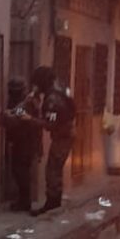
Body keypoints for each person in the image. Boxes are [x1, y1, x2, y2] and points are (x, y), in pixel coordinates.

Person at [30, 65, 76, 214]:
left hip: (62, 138)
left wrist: (31, 119)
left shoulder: (52, 98)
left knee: (52, 170)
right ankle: (54, 202)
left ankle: (52, 203)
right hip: (65, 135)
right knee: (54, 169)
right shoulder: (59, 92)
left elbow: (50, 124)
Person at [3, 78, 42, 213]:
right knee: (19, 171)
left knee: (21, 172)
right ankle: (23, 200)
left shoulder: (27, 103)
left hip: (26, 142)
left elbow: (18, 117)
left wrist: (6, 116)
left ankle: (25, 201)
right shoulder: (24, 101)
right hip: (21, 141)